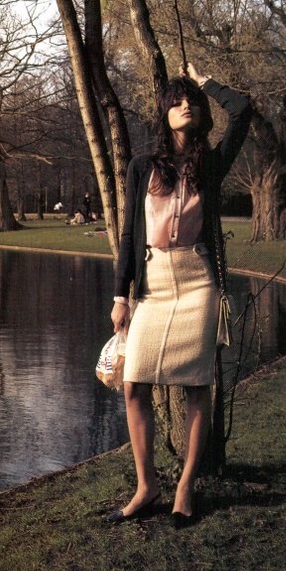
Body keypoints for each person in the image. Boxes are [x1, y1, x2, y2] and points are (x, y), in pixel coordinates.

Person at [107, 62, 252, 529]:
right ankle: (146, 486)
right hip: (152, 286)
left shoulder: (210, 164)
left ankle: (186, 487)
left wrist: (206, 81)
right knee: (134, 384)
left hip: (197, 284)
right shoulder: (142, 167)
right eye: (177, 101)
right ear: (164, 113)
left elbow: (243, 110)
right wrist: (121, 296)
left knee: (196, 386)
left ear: (202, 113)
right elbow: (129, 234)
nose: (186, 105)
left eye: (192, 101)